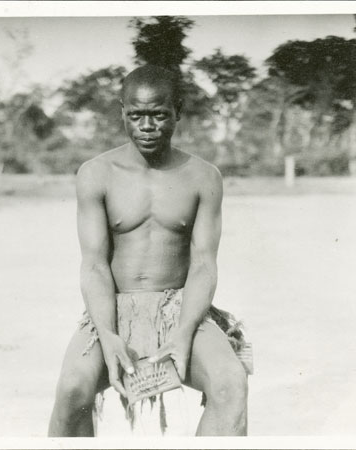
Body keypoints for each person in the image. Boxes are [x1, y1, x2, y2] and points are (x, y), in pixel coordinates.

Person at [48, 64, 248, 437]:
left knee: (231, 382)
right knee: (71, 388)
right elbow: (93, 265)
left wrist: (186, 331)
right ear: (122, 111)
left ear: (178, 112)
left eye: (159, 115)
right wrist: (107, 334)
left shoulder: (204, 176)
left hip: (180, 305)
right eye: (136, 115)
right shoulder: (96, 173)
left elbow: (204, 264)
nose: (147, 126)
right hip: (114, 307)